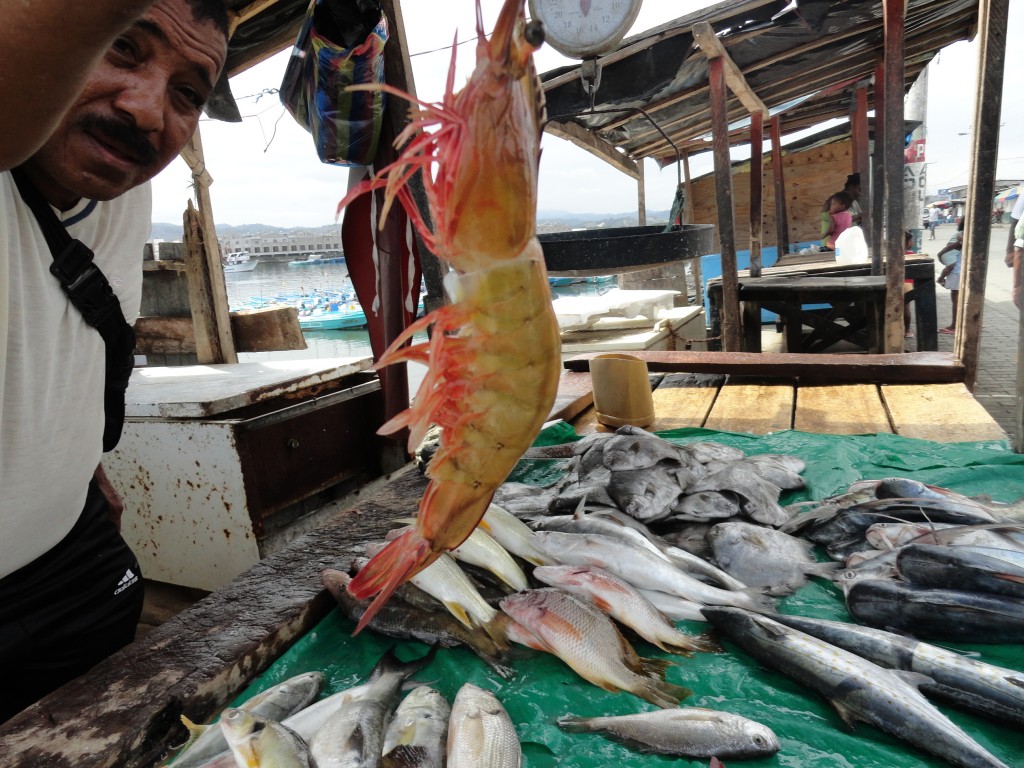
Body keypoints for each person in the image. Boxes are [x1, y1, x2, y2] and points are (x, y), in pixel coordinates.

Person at [0, 0, 228, 722]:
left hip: (78, 553)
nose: (147, 111)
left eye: (189, 93)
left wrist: (80, 459)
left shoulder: (124, 185)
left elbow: (82, 337)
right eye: (124, 48)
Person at [936, 220, 966, 334]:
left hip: (958, 270)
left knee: (956, 297)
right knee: (961, 297)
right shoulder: (969, 234)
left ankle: (955, 326)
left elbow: (950, 247)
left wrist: (940, 253)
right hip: (964, 269)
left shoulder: (962, 235)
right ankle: (963, 323)